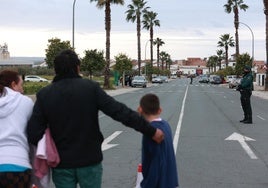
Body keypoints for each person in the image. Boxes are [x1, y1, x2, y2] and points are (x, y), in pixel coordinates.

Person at [26, 49, 164, 188]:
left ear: (55, 70)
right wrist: (151, 131)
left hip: (62, 163)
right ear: (77, 67)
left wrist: (49, 143)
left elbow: (33, 133)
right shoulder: (90, 88)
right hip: (90, 160)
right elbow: (119, 112)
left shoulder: (45, 94)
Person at [0, 70, 34, 187]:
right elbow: (34, 130)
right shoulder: (25, 102)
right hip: (19, 165)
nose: (23, 90)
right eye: (21, 85)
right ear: (14, 85)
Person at [137, 93, 179, 188]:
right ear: (160, 110)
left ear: (140, 110)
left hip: (159, 184)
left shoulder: (152, 132)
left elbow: (156, 162)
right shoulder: (165, 125)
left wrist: (147, 185)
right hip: (170, 181)